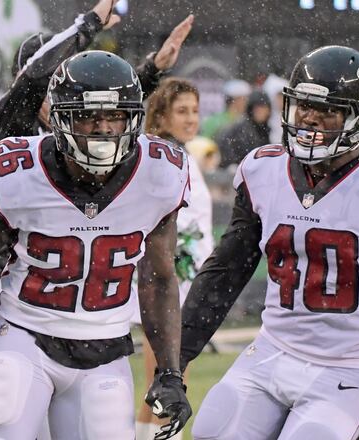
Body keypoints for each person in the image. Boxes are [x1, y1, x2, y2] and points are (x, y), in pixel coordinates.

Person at [0, 51, 192, 440]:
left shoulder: (160, 173)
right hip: (25, 339)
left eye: (114, 115)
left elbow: (159, 278)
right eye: (88, 115)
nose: (102, 129)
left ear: (132, 118)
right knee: (0, 420)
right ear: (60, 116)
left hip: (107, 349)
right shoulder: (16, 172)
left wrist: (169, 370)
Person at [180, 45, 359, 440]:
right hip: (271, 349)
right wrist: (175, 359)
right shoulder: (264, 169)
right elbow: (224, 272)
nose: (311, 119)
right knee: (212, 431)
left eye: (328, 110)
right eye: (304, 106)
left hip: (347, 365)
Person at [0, 0, 195, 354]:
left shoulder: (80, 128)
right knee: (15, 393)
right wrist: (88, 24)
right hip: (6, 276)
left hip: (62, 280)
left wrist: (152, 70)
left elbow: (111, 114)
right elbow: (35, 77)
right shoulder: (9, 124)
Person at [133, 77, 214, 440]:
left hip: (185, 276)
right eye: (181, 111)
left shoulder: (183, 154)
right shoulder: (157, 155)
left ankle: (158, 435)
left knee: (172, 374)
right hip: (165, 279)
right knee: (163, 377)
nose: (191, 118)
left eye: (195, 110)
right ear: (160, 117)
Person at [216, 90, 272, 169]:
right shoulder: (242, 129)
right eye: (256, 108)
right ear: (251, 109)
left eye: (263, 107)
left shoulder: (265, 129)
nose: (260, 111)